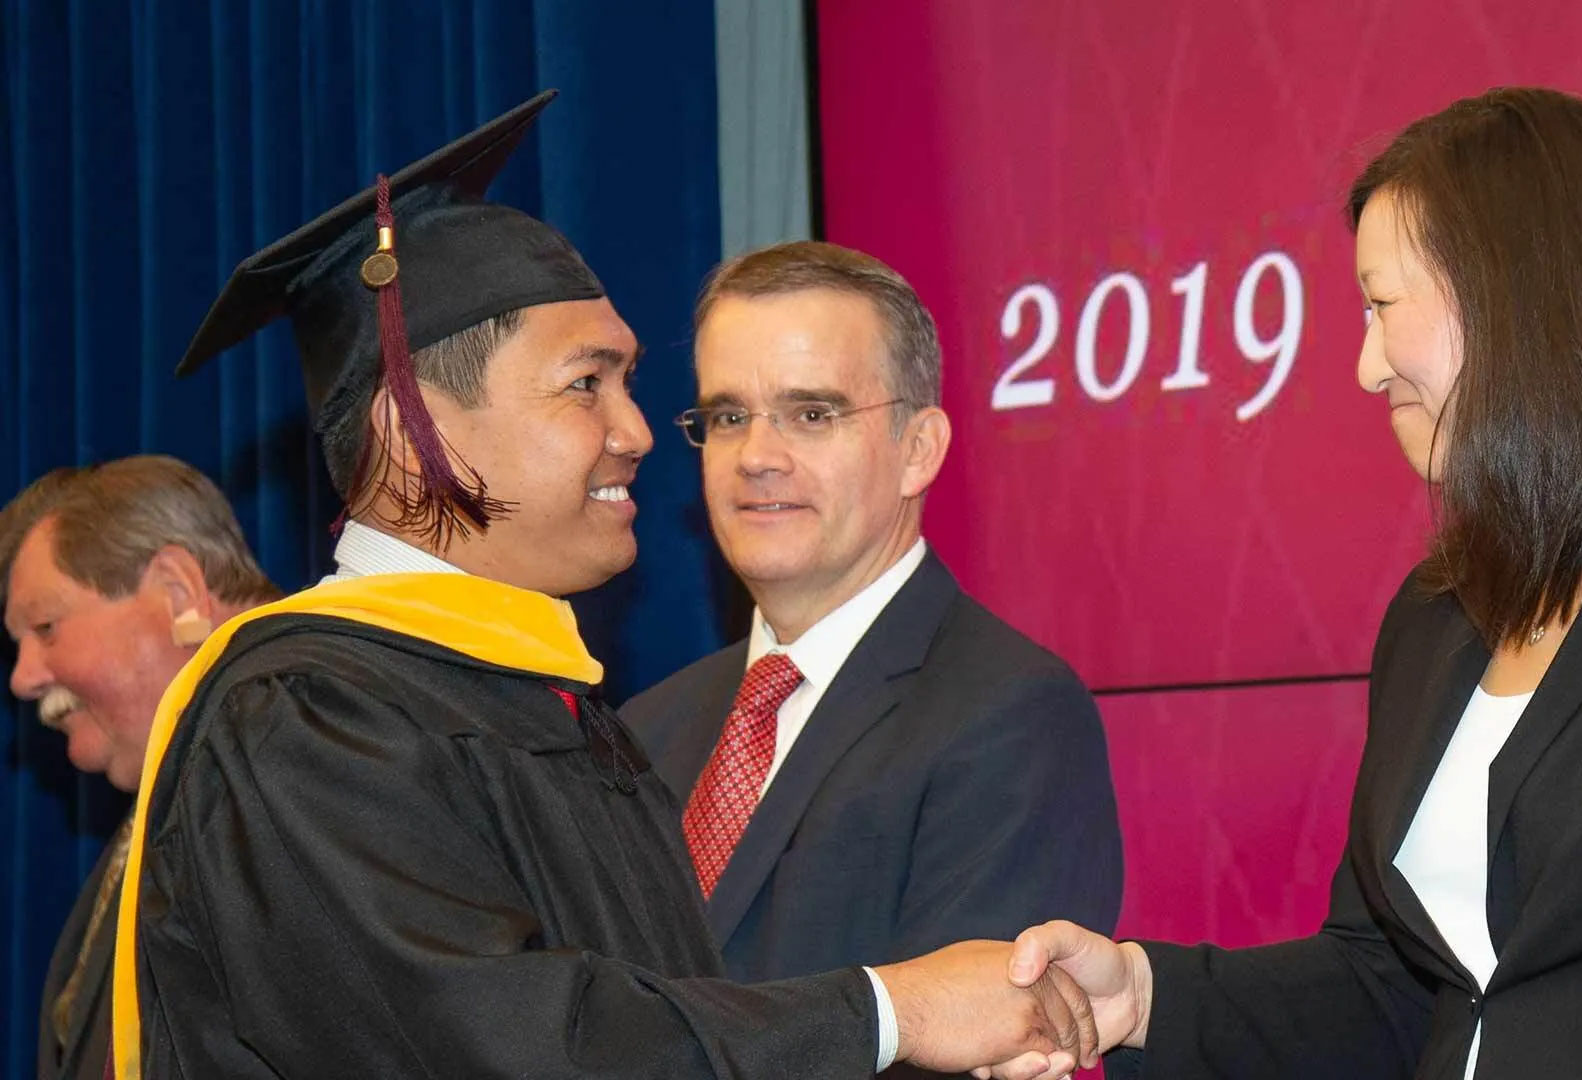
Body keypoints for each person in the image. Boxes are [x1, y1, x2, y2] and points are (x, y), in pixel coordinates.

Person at [113, 92, 1097, 1080]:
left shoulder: (556, 710)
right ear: (414, 438)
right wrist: (892, 1007)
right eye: (588, 385)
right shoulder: (310, 717)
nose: (635, 433)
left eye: (628, 384)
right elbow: (508, 1045)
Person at [1000, 87, 1582, 1080]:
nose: (1363, 367)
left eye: (1381, 306)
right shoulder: (1439, 611)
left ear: (1517, 292)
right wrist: (1141, 996)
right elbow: (1397, 990)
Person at [619, 242, 1123, 1002]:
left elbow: (977, 1037)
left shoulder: (1011, 714)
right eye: (728, 417)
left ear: (918, 450)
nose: (756, 455)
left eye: (811, 413)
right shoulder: (647, 726)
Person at [2, 455, 279, 1080]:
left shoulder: (307, 748)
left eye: (46, 627)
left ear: (177, 592)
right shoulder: (199, 773)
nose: (22, 678)